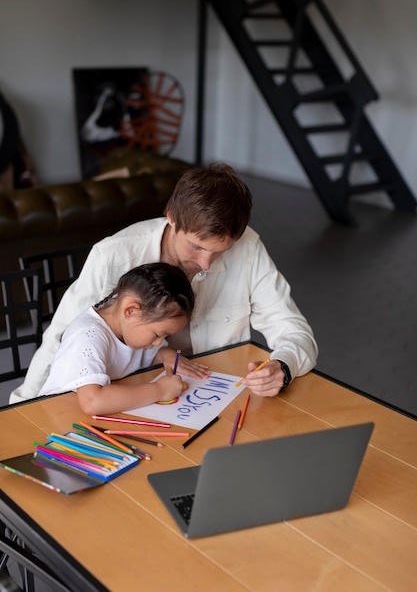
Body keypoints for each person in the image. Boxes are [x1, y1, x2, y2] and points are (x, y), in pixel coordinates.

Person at [10, 162, 318, 404]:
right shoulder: (114, 255)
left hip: (212, 395)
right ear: (171, 216)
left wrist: (283, 367)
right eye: (196, 247)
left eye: (220, 251)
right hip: (129, 396)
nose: (206, 264)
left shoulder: (248, 247)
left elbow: (294, 330)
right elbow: (60, 340)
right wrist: (20, 410)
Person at [37, 263, 201, 416]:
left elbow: (149, 354)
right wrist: (159, 390)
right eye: (158, 335)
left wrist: (167, 355)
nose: (159, 342)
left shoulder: (129, 327)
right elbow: (93, 402)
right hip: (56, 417)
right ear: (130, 311)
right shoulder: (88, 336)